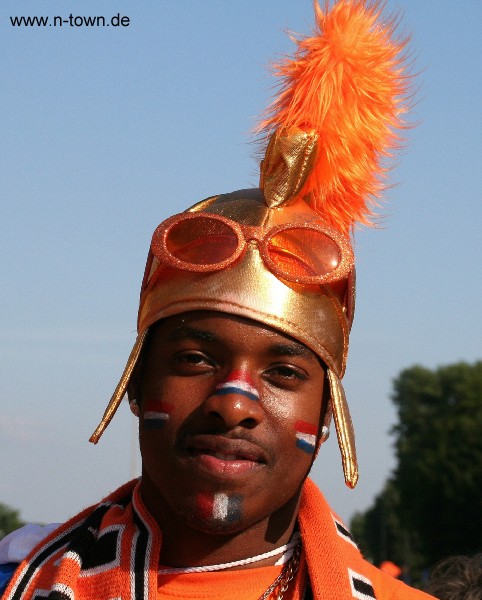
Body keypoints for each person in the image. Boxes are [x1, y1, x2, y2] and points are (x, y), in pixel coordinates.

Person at [1, 2, 436, 598]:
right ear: (135, 383)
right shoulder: (19, 581)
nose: (234, 405)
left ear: (330, 412)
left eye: (284, 372)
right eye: (194, 360)